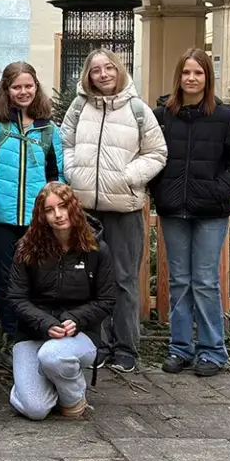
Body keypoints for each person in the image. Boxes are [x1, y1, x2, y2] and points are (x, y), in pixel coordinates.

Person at [61, 49, 168, 373]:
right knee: (89, 280)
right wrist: (73, 171)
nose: (103, 74)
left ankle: (126, 349)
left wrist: (129, 177)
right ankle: (98, 345)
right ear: (88, 76)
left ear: (119, 71)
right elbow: (65, 142)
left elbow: (157, 152)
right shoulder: (80, 107)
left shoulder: (138, 110)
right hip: (86, 210)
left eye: (109, 68)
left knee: (122, 280)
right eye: (96, 70)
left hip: (123, 209)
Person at [151, 48, 230, 377]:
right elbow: (150, 157)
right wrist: (159, 191)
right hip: (173, 210)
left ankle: (212, 351)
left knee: (205, 281)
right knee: (179, 281)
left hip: (210, 213)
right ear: (178, 77)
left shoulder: (225, 117)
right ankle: (180, 348)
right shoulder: (163, 115)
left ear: (207, 78)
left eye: (198, 73)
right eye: (186, 73)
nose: (191, 78)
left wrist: (218, 191)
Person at [7, 183, 115, 420]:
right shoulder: (26, 249)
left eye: (63, 206)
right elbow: (16, 298)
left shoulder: (97, 249)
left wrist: (75, 319)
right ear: (41, 215)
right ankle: (33, 388)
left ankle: (73, 399)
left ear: (73, 207)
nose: (58, 215)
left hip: (80, 335)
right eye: (49, 210)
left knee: (53, 357)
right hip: (33, 334)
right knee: (35, 410)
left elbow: (107, 300)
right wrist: (44, 322)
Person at [0, 61, 63, 336]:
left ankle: (34, 332)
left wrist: (53, 208)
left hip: (37, 219)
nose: (23, 91)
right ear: (7, 89)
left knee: (37, 276)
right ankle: (11, 335)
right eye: (17, 87)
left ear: (36, 87)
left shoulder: (48, 129)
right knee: (6, 278)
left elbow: (56, 173)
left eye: (29, 85)